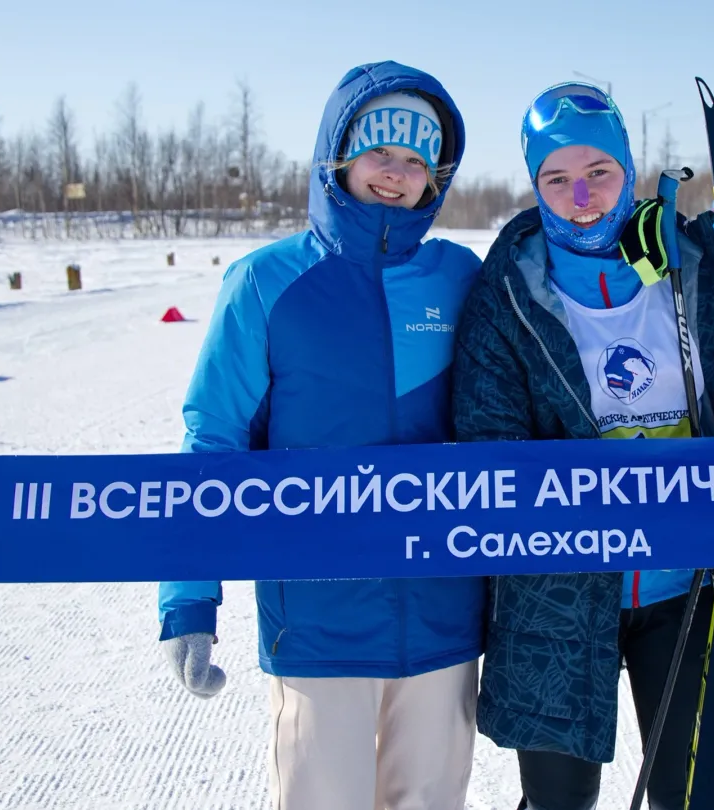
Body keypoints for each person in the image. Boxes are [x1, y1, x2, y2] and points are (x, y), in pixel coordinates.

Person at [451, 81, 714, 810]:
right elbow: (490, 450)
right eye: (556, 178)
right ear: (535, 185)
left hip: (691, 585)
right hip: (556, 596)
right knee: (558, 799)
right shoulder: (506, 295)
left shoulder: (698, 270)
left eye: (599, 172)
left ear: (627, 168)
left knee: (692, 794)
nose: (580, 195)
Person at [157, 61, 485, 810]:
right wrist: (188, 601)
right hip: (317, 621)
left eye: (416, 161)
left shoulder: (461, 278)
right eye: (380, 153)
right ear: (337, 154)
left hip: (444, 615)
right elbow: (213, 444)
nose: (398, 176)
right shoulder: (267, 283)